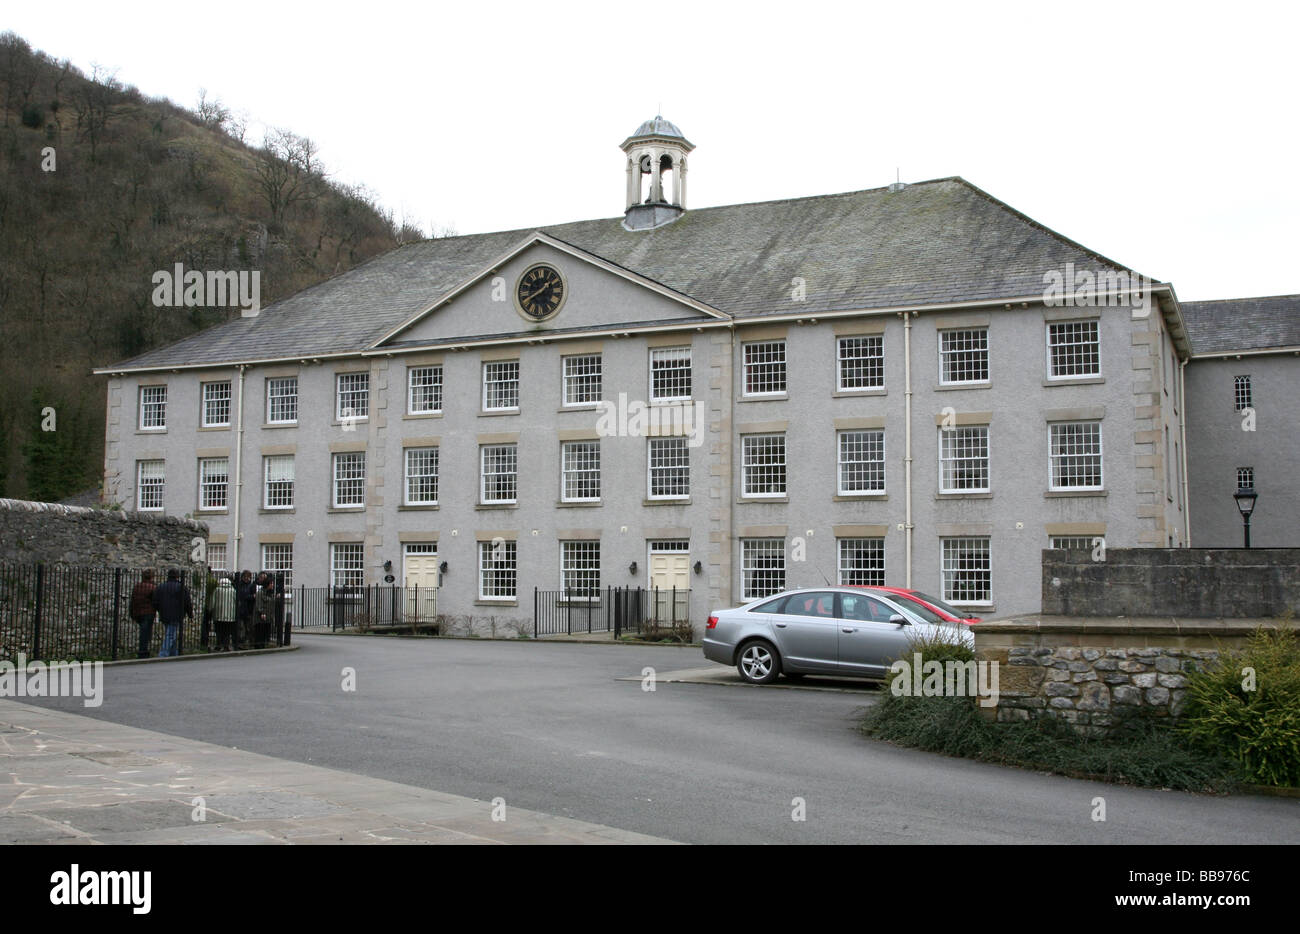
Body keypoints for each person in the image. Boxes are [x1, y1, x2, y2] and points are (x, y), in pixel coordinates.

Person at [151, 568, 193, 658]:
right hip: (176, 614)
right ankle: (163, 654)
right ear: (177, 576)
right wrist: (190, 614)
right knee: (170, 634)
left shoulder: (161, 587)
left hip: (164, 613)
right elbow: (187, 602)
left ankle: (174, 653)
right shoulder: (181, 587)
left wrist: (160, 610)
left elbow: (155, 602)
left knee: (170, 632)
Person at [129, 570, 157, 659]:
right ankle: (143, 651)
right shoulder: (152, 587)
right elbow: (155, 601)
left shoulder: (137, 587)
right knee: (145, 633)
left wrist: (132, 612)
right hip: (148, 612)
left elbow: (133, 600)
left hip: (137, 612)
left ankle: (143, 650)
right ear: (151, 577)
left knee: (143, 631)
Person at [208, 577, 238, 651]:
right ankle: (226, 646)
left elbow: (212, 601)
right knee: (227, 631)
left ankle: (218, 645)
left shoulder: (217, 590)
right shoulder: (233, 590)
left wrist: (210, 609)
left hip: (218, 614)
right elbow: (236, 601)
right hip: (230, 615)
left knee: (219, 631)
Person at [236, 570, 256, 650]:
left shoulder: (251, 586)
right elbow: (239, 596)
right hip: (241, 608)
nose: (247, 578)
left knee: (248, 627)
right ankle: (240, 643)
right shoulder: (239, 585)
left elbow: (254, 596)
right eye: (246, 577)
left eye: (249, 577)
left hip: (249, 609)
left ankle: (248, 643)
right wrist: (249, 596)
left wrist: (248, 597)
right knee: (240, 627)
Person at [253, 571, 274, 648]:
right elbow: (258, 604)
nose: (272, 585)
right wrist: (261, 613)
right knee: (259, 632)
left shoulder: (270, 593)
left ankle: (263, 644)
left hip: (267, 616)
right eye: (271, 583)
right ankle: (258, 645)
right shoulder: (260, 593)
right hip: (260, 617)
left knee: (265, 632)